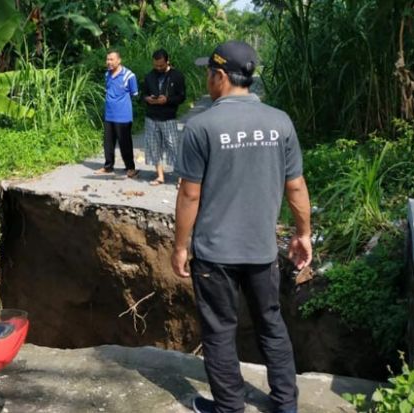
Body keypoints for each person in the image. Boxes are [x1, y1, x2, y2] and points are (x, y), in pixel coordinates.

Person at [171, 41, 311, 413]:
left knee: (219, 332)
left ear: (219, 76)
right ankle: (285, 405)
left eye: (208, 72)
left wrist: (180, 246)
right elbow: (295, 185)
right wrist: (303, 234)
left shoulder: (202, 126)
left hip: (215, 255)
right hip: (262, 252)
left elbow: (189, 195)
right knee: (271, 325)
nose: (206, 78)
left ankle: (229, 408)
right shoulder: (280, 121)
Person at [141, 48, 186, 186]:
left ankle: (180, 178)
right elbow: (143, 95)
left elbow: (182, 96)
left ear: (167, 61)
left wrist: (167, 100)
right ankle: (160, 176)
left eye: (161, 65)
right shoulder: (149, 76)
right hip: (151, 116)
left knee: (173, 147)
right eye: (156, 65)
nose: (158, 68)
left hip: (168, 117)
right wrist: (147, 98)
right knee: (154, 147)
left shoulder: (177, 76)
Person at [96, 50, 139, 178]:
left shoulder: (129, 76)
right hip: (109, 114)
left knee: (125, 143)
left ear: (119, 60)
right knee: (108, 143)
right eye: (107, 59)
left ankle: (130, 168)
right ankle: (108, 166)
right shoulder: (107, 75)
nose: (108, 62)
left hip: (123, 115)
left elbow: (134, 93)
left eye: (111, 59)